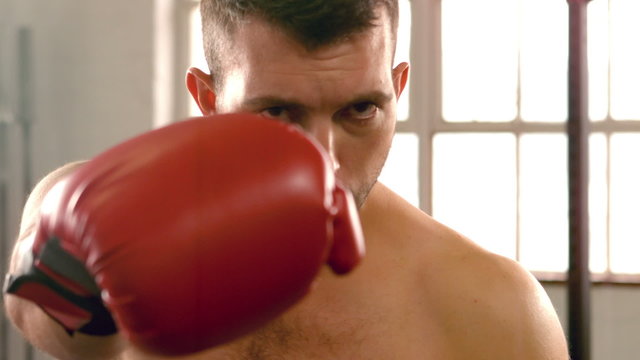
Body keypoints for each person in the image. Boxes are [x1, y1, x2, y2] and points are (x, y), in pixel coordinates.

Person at [4, 0, 570, 359]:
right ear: (207, 98)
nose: (324, 162)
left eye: (360, 110)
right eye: (277, 113)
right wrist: (77, 260)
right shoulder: (101, 217)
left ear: (397, 88)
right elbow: (34, 311)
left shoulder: (493, 309)